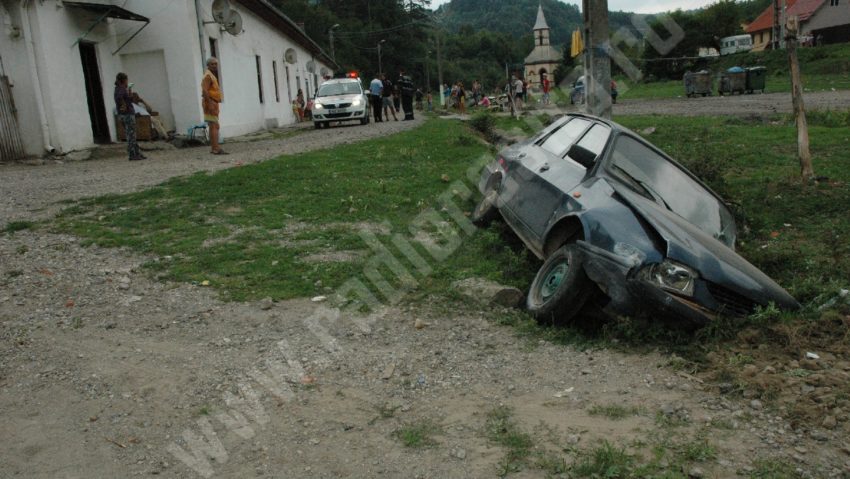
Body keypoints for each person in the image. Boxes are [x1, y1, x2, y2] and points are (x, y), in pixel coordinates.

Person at [114, 72, 145, 161]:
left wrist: (129, 90)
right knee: (131, 135)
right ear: (124, 80)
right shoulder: (121, 89)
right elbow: (121, 98)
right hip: (127, 114)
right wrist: (123, 105)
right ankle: (133, 154)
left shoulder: (120, 89)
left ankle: (137, 153)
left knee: (132, 135)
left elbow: (129, 99)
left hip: (124, 114)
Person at [201, 57, 226, 155]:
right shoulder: (208, 76)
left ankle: (215, 147)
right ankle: (215, 148)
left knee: (215, 125)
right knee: (214, 125)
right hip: (210, 102)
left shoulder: (211, 75)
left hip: (213, 102)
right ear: (208, 65)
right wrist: (210, 103)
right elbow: (205, 90)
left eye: (216, 64)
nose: (215, 66)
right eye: (212, 64)